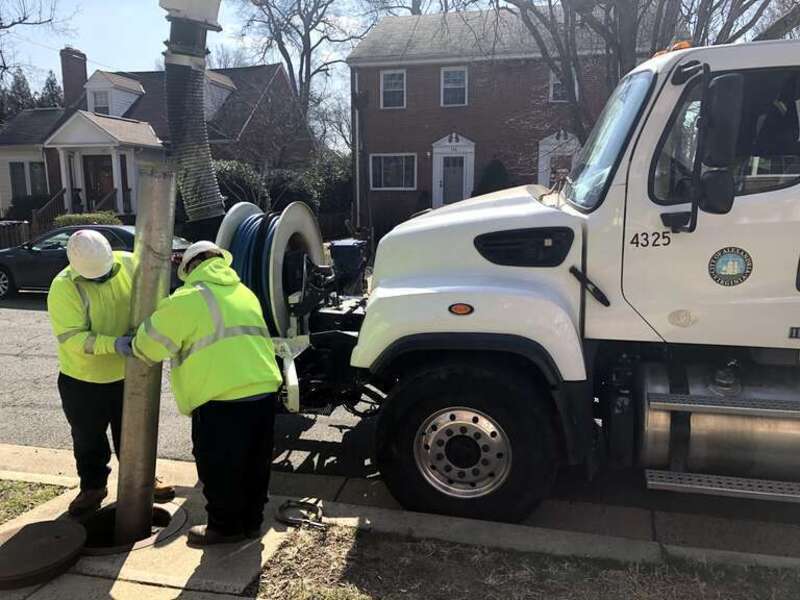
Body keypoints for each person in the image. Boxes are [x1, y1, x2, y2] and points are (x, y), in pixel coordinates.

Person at [126, 241, 282, 546]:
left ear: (189, 268)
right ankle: (251, 524)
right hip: (263, 393)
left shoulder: (188, 298)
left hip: (221, 399)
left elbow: (148, 347)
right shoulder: (244, 293)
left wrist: (133, 339)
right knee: (255, 465)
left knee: (219, 467)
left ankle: (224, 528)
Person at [47, 230, 173, 516]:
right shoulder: (64, 288)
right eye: (95, 278)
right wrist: (114, 344)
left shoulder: (129, 263)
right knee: (88, 438)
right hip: (83, 379)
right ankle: (93, 488)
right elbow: (72, 338)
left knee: (133, 435)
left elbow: (155, 295)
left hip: (125, 375)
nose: (100, 280)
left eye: (104, 274)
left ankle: (142, 480)